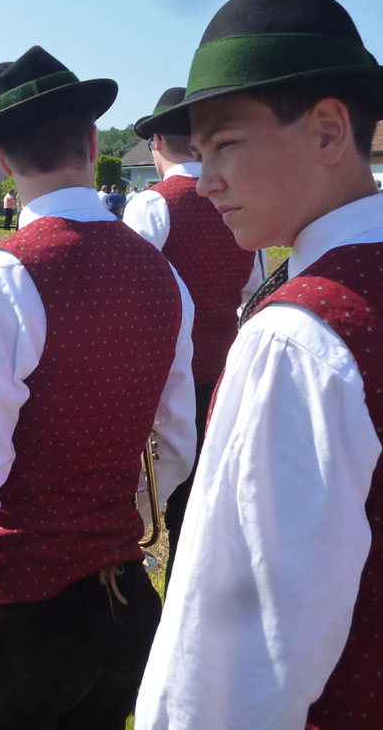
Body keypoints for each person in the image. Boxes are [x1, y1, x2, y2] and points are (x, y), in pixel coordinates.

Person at [134, 0, 383, 730]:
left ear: (329, 131)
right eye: (200, 152)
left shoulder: (297, 339)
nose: (205, 180)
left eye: (226, 143)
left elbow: (232, 651)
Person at [0, 45, 197, 730]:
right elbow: (178, 442)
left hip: (19, 622)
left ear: (3, 161)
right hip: (123, 605)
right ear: (93, 144)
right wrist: (114, 521)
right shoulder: (164, 276)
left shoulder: (2, 275)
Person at [124, 86, 265, 585]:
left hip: (164, 382)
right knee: (203, 505)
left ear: (157, 142)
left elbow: (131, 299)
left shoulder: (152, 205)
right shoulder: (238, 202)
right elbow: (253, 292)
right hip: (222, 376)